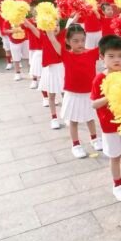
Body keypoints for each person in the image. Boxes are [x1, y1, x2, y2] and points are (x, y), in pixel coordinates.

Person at [91, 35, 121, 202]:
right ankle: (117, 185)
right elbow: (94, 104)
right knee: (115, 156)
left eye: (120, 55)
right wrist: (109, 96)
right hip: (109, 125)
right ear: (102, 57)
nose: (117, 60)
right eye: (111, 56)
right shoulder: (100, 78)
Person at [46, 23, 102, 158]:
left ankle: (94, 138)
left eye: (82, 40)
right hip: (73, 94)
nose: (80, 43)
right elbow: (53, 39)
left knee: (90, 118)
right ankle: (76, 144)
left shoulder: (92, 52)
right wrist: (48, 27)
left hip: (89, 93)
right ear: (67, 41)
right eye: (75, 41)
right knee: (74, 120)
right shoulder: (65, 54)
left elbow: (108, 47)